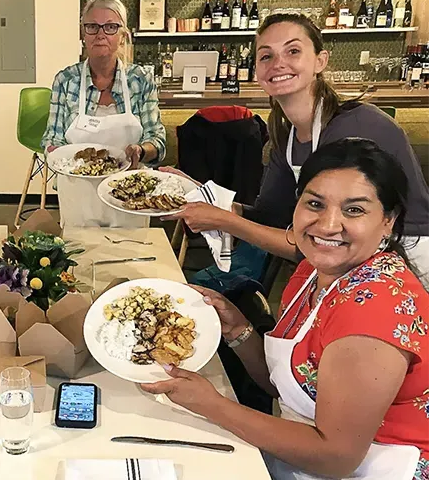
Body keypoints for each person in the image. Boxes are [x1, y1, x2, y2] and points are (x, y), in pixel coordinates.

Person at [143, 139, 428, 480]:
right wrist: (238, 329)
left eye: (354, 210)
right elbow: (285, 386)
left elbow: (336, 457)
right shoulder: (314, 271)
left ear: (388, 221)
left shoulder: (373, 311)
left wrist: (211, 405)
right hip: (299, 453)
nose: (327, 225)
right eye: (315, 204)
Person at [161, 13, 429, 288]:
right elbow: (267, 217)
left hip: (403, 258)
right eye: (266, 56)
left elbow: (321, 240)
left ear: (320, 61)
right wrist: (197, 193)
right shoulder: (286, 135)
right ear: (257, 71)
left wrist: (225, 221)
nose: (278, 64)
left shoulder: (356, 127)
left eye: (293, 51)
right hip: (344, 260)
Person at [41, 0, 166, 228]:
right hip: (78, 195)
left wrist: (140, 150)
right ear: (82, 33)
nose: (100, 34)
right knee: (81, 257)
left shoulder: (140, 80)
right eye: (92, 26)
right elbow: (51, 138)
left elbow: (157, 141)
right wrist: (55, 153)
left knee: (130, 257)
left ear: (123, 35)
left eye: (110, 27)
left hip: (129, 193)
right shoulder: (66, 80)